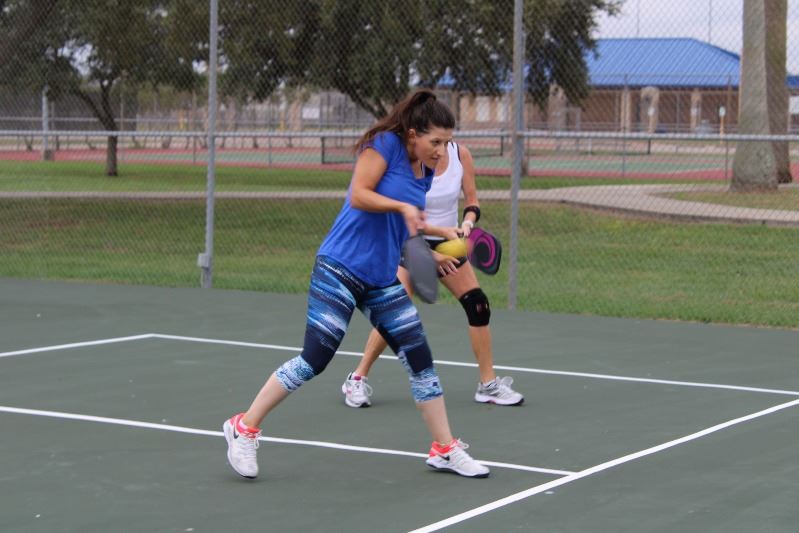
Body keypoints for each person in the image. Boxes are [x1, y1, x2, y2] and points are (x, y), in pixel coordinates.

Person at [223, 89, 489, 480]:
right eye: (436, 141)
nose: (442, 150)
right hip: (340, 267)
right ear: (413, 134)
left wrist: (433, 237)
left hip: (381, 277)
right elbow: (360, 195)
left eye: (447, 142)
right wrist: (403, 208)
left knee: (420, 358)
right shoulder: (384, 145)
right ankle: (243, 427)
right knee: (316, 357)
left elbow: (403, 226)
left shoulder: (426, 169)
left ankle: (445, 448)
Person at [341, 139, 524, 409]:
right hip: (410, 242)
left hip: (449, 241)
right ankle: (357, 378)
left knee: (478, 304)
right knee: (395, 313)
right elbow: (396, 211)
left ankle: (488, 385)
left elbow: (472, 200)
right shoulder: (408, 158)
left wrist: (467, 224)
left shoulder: (461, 154)